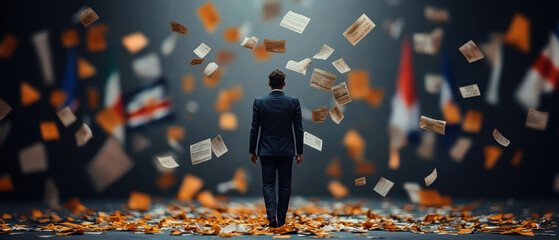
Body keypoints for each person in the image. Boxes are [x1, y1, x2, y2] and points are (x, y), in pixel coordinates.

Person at [249, 69, 304, 228]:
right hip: (287, 151)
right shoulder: (293, 102)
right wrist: (299, 151)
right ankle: (281, 219)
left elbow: (254, 129)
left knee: (268, 185)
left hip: (266, 151)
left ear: (269, 83)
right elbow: (298, 129)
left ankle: (271, 216)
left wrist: (252, 150)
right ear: (284, 84)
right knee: (285, 185)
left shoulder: (259, 102)